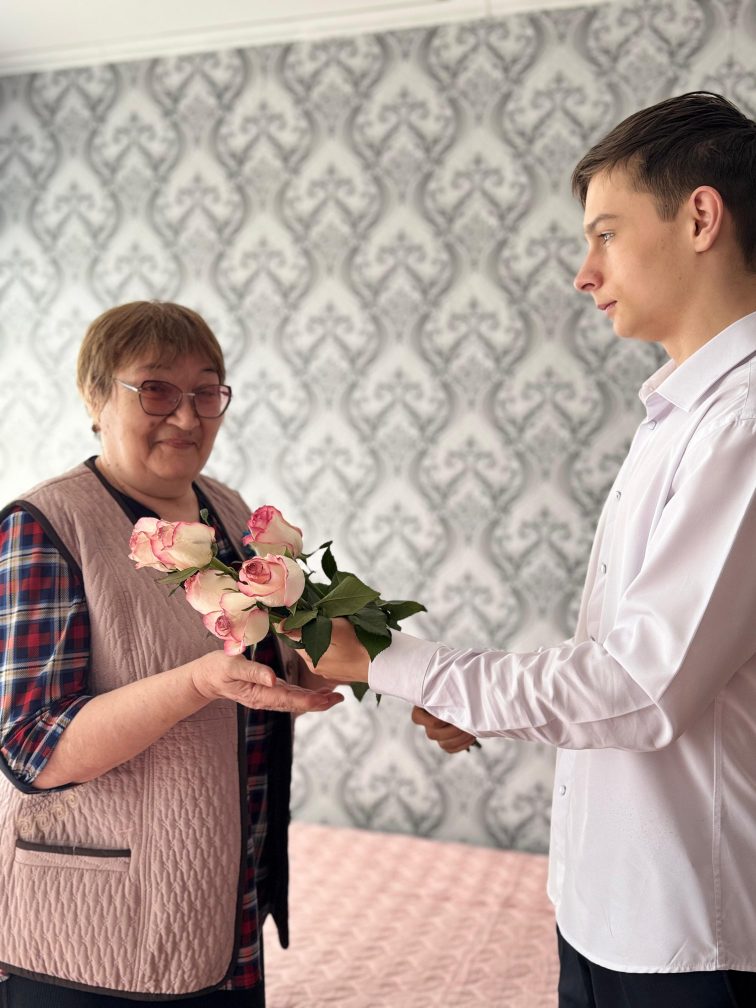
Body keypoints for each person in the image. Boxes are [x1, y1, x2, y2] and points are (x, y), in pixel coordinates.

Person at [302, 92, 756, 1007]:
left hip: (688, 935)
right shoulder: (678, 416)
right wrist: (467, 698)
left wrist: (394, 661)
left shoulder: (742, 424)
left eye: (606, 235)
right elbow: (631, 668)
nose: (585, 274)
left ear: (701, 217)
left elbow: (642, 686)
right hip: (602, 906)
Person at [0, 301, 344, 1007]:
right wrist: (197, 683)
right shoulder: (46, 526)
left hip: (223, 906)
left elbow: (277, 658)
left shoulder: (230, 512)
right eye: (156, 389)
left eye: (206, 392)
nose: (187, 417)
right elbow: (34, 749)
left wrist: (398, 684)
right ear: (95, 396)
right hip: (89, 932)